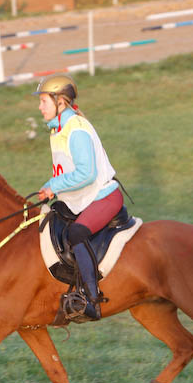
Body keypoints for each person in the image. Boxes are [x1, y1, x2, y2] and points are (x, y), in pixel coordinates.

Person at [34, 74, 124, 321]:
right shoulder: (58, 130)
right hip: (82, 199)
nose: (40, 106)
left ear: (60, 102)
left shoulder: (76, 129)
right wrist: (52, 191)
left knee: (76, 234)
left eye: (43, 101)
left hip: (104, 197)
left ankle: (92, 300)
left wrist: (53, 185)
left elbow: (86, 173)